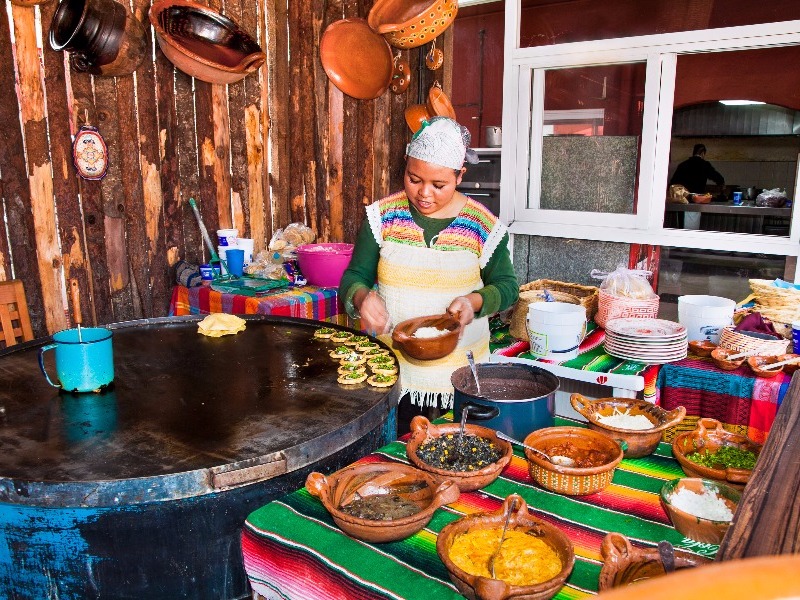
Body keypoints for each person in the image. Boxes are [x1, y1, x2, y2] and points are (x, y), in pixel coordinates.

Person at [339, 117, 519, 435]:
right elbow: (355, 275)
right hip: (395, 372)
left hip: (461, 378)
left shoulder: (481, 225)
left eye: (439, 185)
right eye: (413, 179)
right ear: (405, 167)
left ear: (460, 175)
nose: (424, 194)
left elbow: (506, 287)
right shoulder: (382, 218)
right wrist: (361, 296)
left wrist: (474, 301)